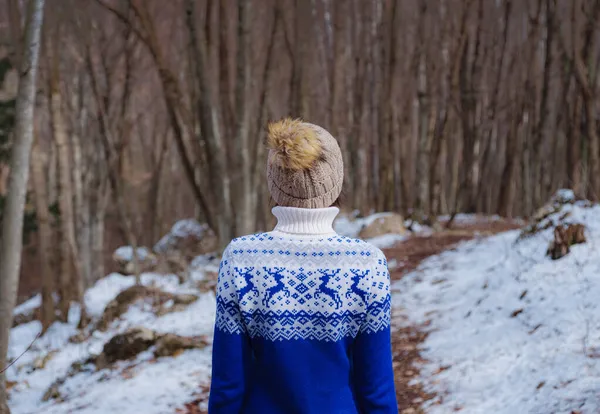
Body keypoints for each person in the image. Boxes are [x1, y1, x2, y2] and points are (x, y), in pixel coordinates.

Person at [208, 118, 397, 413]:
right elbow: (376, 387)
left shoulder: (241, 258)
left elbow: (228, 383)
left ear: (275, 183)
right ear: (335, 183)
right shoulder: (367, 264)